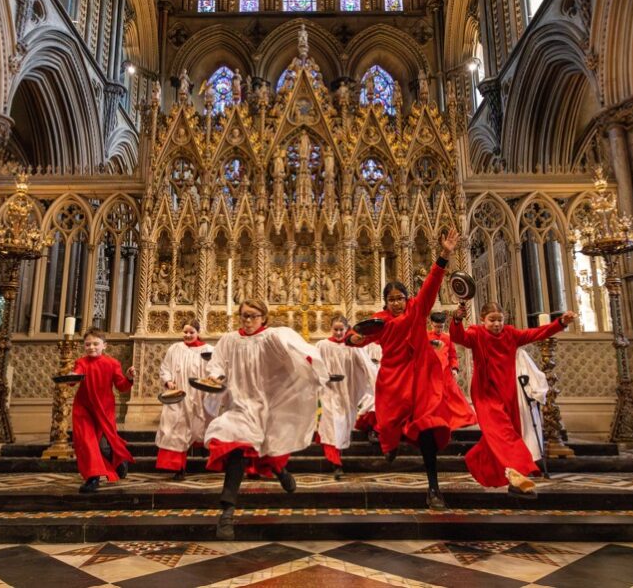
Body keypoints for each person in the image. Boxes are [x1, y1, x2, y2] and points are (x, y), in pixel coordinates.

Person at [347, 229, 476, 510]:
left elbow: (430, 285)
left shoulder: (417, 310)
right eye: (391, 299)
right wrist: (351, 338)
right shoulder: (380, 321)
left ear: (407, 299)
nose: (396, 302)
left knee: (428, 430)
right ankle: (390, 445)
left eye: (400, 297)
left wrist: (444, 255)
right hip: (394, 382)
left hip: (420, 378)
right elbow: (359, 335)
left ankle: (433, 489)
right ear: (385, 302)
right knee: (390, 425)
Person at [201, 299, 328, 540]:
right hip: (240, 405)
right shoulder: (229, 340)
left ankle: (281, 472)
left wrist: (311, 366)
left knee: (269, 445)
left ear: (264, 317)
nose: (247, 321)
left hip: (269, 403)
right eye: (244, 316)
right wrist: (216, 377)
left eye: (253, 316)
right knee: (235, 446)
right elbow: (216, 365)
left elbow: (298, 352)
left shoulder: (272, 337)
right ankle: (227, 513)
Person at [450, 303, 576, 497]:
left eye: (500, 319)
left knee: (500, 435)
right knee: (504, 434)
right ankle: (520, 474)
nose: (497, 324)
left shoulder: (511, 334)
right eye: (492, 320)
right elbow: (458, 337)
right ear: (483, 320)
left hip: (508, 392)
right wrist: (457, 320)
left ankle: (478, 461)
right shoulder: (477, 334)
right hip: (485, 394)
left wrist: (560, 323)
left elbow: (537, 333)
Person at [69, 327, 134, 494]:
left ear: (104, 345)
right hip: (83, 408)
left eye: (95, 344)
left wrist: (129, 378)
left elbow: (122, 386)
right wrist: (71, 375)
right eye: (88, 344)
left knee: (107, 443)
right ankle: (93, 477)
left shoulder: (112, 363)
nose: (91, 347)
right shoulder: (81, 362)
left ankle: (118, 461)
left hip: (104, 408)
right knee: (87, 442)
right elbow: (74, 378)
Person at [316, 315, 378, 479]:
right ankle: (335, 463)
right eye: (335, 329)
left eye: (341, 330)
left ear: (346, 329)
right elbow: (314, 366)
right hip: (329, 390)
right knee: (330, 424)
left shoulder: (354, 347)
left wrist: (380, 386)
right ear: (330, 328)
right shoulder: (322, 345)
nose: (338, 333)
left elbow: (368, 367)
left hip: (347, 392)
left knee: (341, 426)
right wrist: (324, 376)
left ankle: (338, 459)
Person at [154, 320, 217, 481]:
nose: (188, 335)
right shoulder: (175, 349)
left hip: (199, 395)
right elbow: (165, 368)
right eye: (185, 332)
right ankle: (178, 467)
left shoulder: (208, 350)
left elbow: (216, 368)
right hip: (178, 395)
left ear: (198, 332)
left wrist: (211, 379)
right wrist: (168, 381)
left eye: (191, 332)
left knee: (200, 425)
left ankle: (203, 448)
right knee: (175, 429)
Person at [427, 311, 460, 381]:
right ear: (431, 324)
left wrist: (454, 369)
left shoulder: (448, 338)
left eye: (441, 327)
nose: (439, 329)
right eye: (436, 327)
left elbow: (453, 356)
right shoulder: (425, 337)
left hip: (445, 373)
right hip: (430, 373)